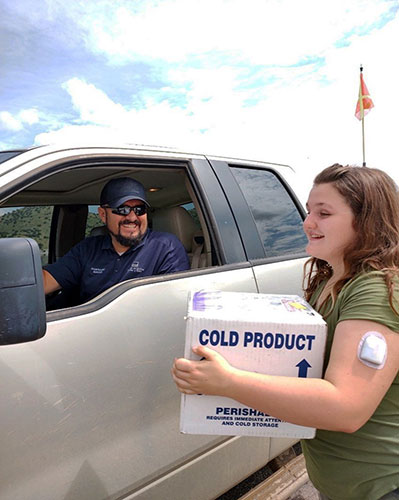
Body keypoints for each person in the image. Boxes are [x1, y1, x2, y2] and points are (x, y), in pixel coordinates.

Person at [172, 164, 399, 500]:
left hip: (380, 485)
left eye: (324, 213)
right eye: (309, 211)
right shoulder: (329, 281)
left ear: (366, 220)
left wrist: (228, 382)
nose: (308, 223)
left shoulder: (376, 291)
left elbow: (346, 408)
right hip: (341, 483)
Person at [43, 177, 190, 304]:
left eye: (139, 209)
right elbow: (45, 282)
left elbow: (172, 305)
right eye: (122, 209)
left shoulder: (165, 248)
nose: (132, 217)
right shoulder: (88, 248)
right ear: (102, 214)